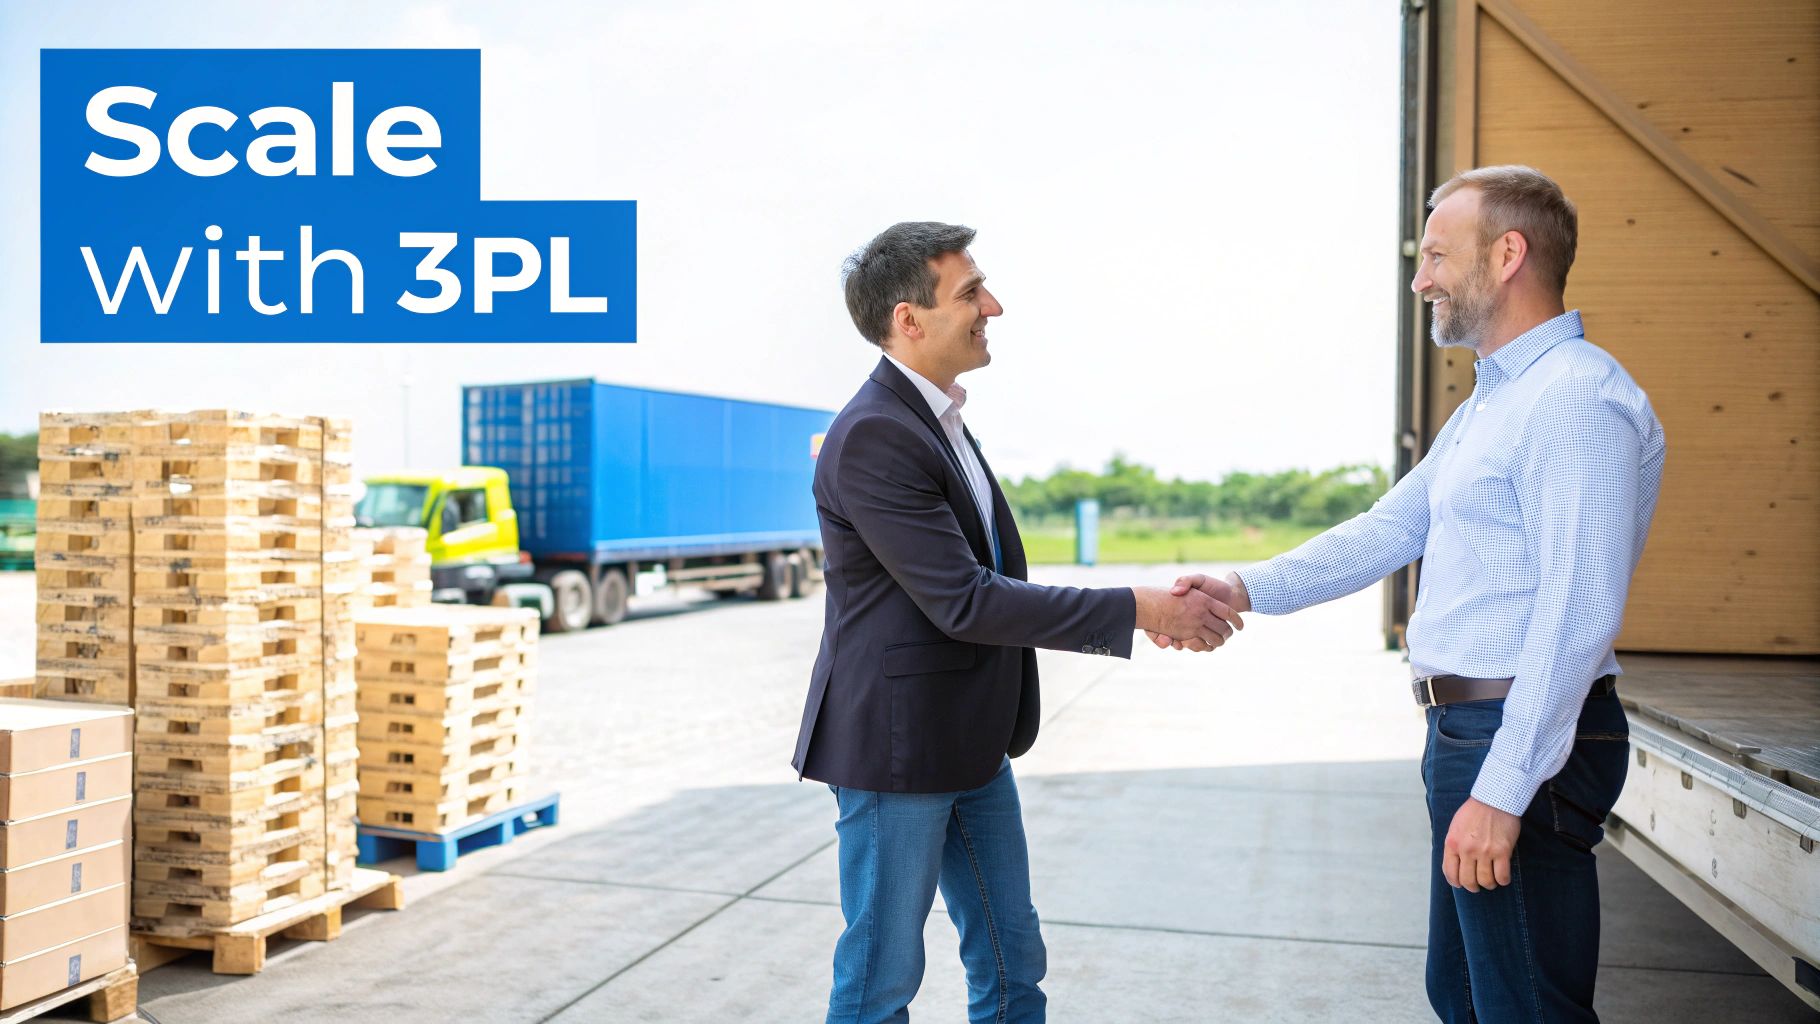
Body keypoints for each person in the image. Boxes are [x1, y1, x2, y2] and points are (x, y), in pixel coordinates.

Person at [1157, 165, 1666, 1023]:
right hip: (1470, 729)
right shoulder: (1493, 405)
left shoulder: (1575, 398)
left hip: (1520, 737)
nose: (1420, 278)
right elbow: (1389, 529)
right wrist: (1241, 586)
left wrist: (1503, 790)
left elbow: (1577, 618)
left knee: (1525, 1009)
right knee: (1464, 994)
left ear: (1509, 255)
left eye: (1436, 255)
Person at [793, 221, 1243, 1024]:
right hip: (898, 752)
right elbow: (966, 599)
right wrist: (1139, 608)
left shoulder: (939, 422)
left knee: (1011, 961)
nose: (991, 305)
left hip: (971, 738)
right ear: (908, 319)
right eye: (969, 292)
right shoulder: (874, 436)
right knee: (878, 981)